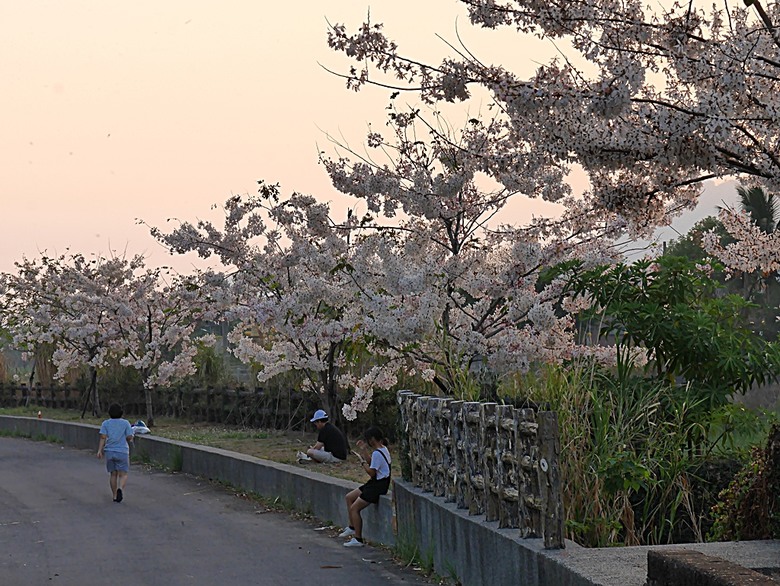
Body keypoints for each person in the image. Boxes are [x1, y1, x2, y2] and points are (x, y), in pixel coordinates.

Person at [339, 426, 392, 547]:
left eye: (368, 440)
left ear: (372, 439)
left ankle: (358, 539)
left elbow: (371, 472)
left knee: (354, 509)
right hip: (376, 483)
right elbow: (372, 462)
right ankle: (352, 527)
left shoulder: (378, 453)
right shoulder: (383, 449)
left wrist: (362, 463)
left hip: (378, 486)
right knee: (349, 497)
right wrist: (363, 451)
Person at [97, 403, 134, 503]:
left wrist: (100, 450)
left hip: (109, 451)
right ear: (121, 413)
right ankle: (120, 489)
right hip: (122, 451)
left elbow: (103, 437)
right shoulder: (125, 423)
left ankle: (114, 496)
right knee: (123, 474)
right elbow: (129, 436)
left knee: (113, 474)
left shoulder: (105, 423)